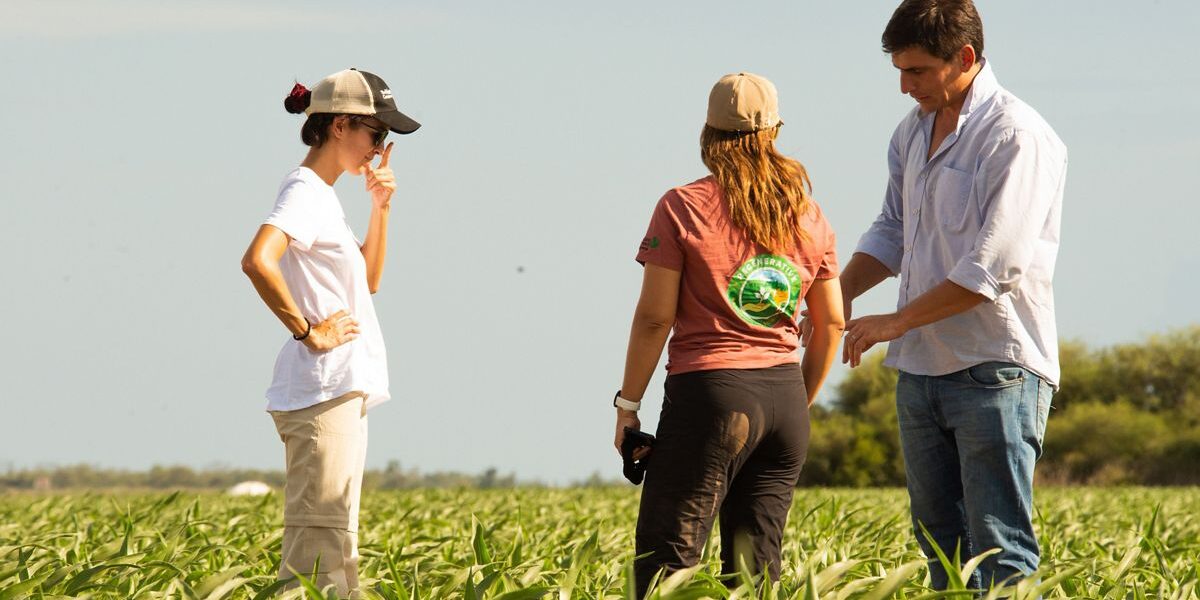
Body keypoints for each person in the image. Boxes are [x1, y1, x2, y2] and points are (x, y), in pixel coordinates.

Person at [824, 0, 1067, 590]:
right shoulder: (911, 131)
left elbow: (995, 267)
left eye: (918, 72)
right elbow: (891, 230)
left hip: (996, 370)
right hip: (921, 374)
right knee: (938, 547)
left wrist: (894, 322)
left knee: (999, 549)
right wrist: (834, 298)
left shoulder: (1016, 135)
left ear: (965, 58)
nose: (906, 88)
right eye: (900, 72)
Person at [614, 72, 844, 596]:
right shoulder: (810, 215)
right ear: (775, 132)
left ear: (708, 134)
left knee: (667, 564)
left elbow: (654, 318)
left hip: (710, 395)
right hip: (784, 400)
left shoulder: (682, 205)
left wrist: (628, 406)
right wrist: (797, 401)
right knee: (755, 571)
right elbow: (830, 324)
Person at [240, 68, 420, 597]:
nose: (379, 148)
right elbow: (257, 260)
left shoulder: (324, 197)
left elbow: (368, 282)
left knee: (336, 548)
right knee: (315, 555)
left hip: (336, 392)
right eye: (376, 133)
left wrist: (381, 208)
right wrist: (307, 331)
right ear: (339, 125)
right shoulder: (306, 190)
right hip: (321, 391)